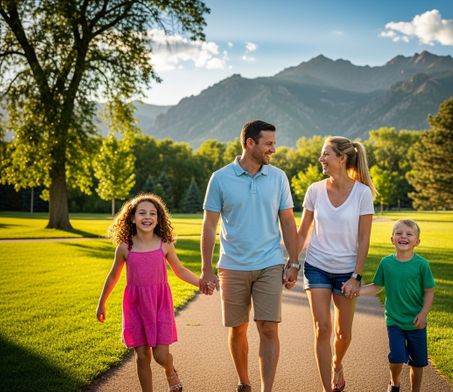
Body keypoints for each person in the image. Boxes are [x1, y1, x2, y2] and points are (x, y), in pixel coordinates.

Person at [199, 120, 299, 392]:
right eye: (268, 144)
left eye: (274, 143)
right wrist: (206, 269)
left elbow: (288, 222)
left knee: (268, 327)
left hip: (269, 262)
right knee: (238, 328)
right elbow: (209, 225)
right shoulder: (220, 178)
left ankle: (267, 389)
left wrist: (294, 261)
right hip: (232, 266)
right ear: (249, 143)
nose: (273, 149)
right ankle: (244, 382)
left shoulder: (278, 177)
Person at [96, 193, 212, 392]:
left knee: (160, 356)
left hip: (159, 304)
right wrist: (102, 302)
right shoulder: (124, 247)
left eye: (152, 213)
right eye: (142, 213)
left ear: (159, 219)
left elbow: (180, 270)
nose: (147, 217)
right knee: (142, 356)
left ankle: (170, 371)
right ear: (132, 217)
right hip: (136, 306)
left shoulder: (164, 244)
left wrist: (200, 282)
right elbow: (113, 276)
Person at [297, 136, 376, 392]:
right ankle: (326, 388)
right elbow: (303, 231)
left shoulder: (363, 193)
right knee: (323, 328)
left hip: (346, 272)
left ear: (341, 158)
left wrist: (356, 276)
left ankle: (337, 362)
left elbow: (364, 238)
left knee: (343, 334)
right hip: (316, 266)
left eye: (325, 154)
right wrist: (291, 263)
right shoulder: (315, 190)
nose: (321, 159)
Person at [356, 219, 435, 392]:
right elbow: (377, 286)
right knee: (397, 357)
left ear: (417, 241)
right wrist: (356, 290)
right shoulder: (386, 263)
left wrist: (423, 313)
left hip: (416, 321)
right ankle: (395, 383)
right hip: (395, 321)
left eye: (409, 234)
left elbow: (430, 290)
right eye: (399, 233)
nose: (403, 237)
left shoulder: (422, 265)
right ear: (392, 239)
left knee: (418, 362)